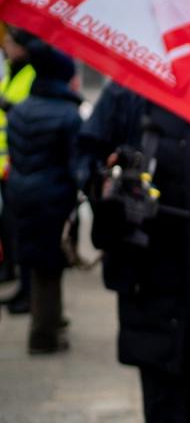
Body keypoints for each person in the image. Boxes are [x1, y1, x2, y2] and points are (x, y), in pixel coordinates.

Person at [76, 47, 190, 422]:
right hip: (148, 275)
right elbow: (85, 156)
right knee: (162, 402)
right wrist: (110, 180)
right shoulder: (129, 90)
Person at [6, 43, 81, 354]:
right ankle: (44, 334)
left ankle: (46, 322)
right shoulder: (68, 114)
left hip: (21, 195)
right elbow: (74, 165)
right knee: (51, 267)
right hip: (53, 200)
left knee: (36, 265)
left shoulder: (21, 108)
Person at [0, 26, 38, 312]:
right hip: (6, 164)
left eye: (10, 42)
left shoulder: (31, 75)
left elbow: (29, 117)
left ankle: (26, 287)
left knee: (22, 231)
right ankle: (12, 273)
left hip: (20, 165)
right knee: (9, 228)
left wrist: (9, 106)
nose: (5, 46)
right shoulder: (10, 73)